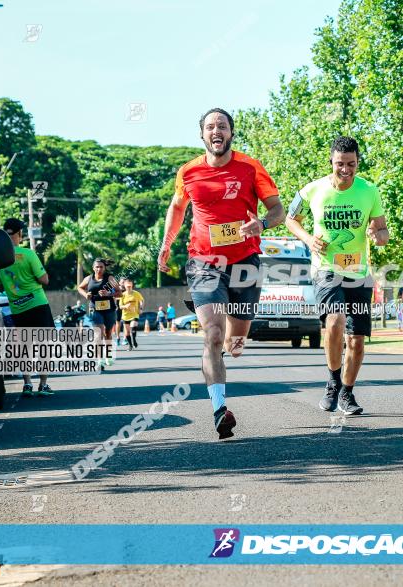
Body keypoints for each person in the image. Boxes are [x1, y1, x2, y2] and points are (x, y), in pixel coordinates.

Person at [158, 107, 284, 440]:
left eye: (223, 126)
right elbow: (177, 208)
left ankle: (231, 345)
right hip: (203, 261)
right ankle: (219, 410)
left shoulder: (250, 167)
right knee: (213, 335)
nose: (217, 131)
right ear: (202, 134)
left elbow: (278, 210)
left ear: (231, 133)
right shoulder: (188, 172)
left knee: (236, 342)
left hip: (245, 261)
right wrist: (167, 242)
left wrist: (262, 223)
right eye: (211, 127)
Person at [285, 136, 388, 415]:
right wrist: (308, 239)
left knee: (356, 340)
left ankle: (347, 393)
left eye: (351, 164)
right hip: (325, 269)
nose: (345, 170)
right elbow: (290, 219)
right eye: (340, 164)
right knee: (335, 319)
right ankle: (332, 381)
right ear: (331, 162)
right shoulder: (312, 190)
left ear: (358, 162)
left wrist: (375, 235)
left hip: (358, 272)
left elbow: (383, 232)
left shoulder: (370, 191)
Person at [0, 218, 54, 397]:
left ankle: (27, 384)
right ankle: (43, 385)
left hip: (18, 309)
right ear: (20, 234)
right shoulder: (28, 254)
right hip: (37, 304)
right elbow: (44, 280)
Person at [77, 258, 119, 369]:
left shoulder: (110, 278)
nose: (99, 269)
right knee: (98, 334)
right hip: (95, 309)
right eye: (97, 267)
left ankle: (108, 355)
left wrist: (108, 293)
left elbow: (120, 293)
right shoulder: (89, 278)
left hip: (109, 310)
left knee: (108, 333)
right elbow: (80, 288)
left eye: (101, 267)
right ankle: (100, 359)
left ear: (104, 268)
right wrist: (85, 294)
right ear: (93, 268)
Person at [119, 278, 144, 350]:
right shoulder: (122, 295)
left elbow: (141, 300)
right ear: (124, 286)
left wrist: (141, 308)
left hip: (134, 314)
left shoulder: (136, 293)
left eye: (130, 285)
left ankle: (134, 340)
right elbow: (120, 306)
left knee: (133, 327)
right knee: (127, 333)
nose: (129, 287)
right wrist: (125, 306)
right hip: (125, 315)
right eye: (127, 286)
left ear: (132, 285)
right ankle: (130, 345)